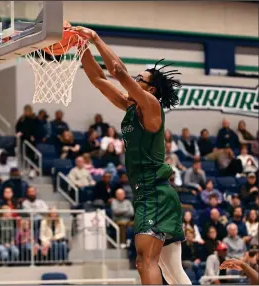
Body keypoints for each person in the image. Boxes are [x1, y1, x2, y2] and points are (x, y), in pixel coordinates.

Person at [77, 25, 190, 284]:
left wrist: (93, 37)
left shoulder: (151, 105)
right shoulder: (131, 106)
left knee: (143, 261)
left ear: (150, 90)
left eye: (140, 79)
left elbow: (117, 72)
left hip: (155, 193)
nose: (135, 81)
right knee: (173, 272)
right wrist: (79, 47)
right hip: (147, 193)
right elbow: (98, 79)